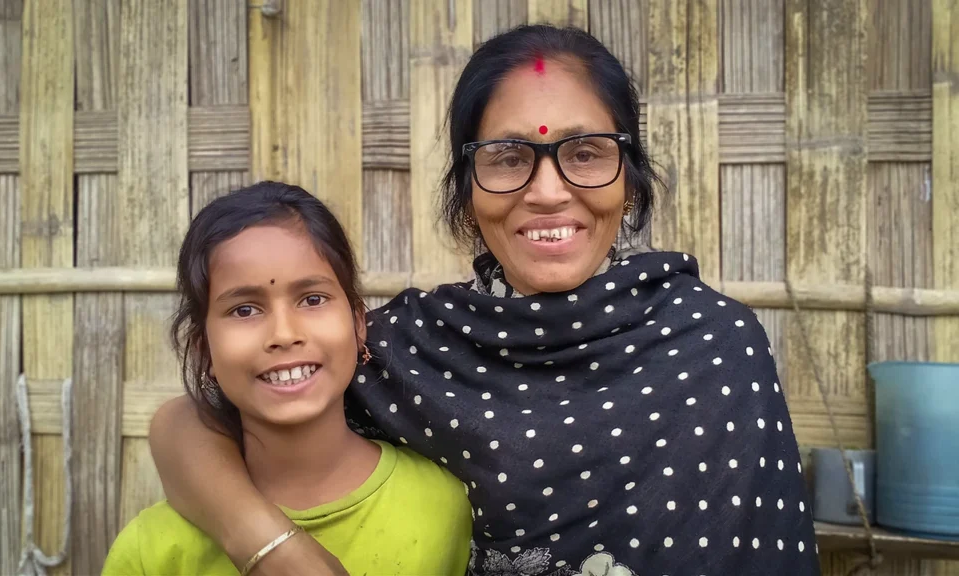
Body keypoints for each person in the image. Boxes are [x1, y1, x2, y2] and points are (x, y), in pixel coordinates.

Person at [148, 24, 821, 576]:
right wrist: (280, 554)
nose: (549, 191)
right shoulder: (406, 349)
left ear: (631, 181)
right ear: (467, 190)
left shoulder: (716, 342)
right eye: (507, 157)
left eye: (586, 152)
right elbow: (187, 424)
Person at [103, 182, 472, 575]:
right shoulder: (154, 550)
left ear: (358, 323)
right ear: (204, 349)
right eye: (245, 310)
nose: (283, 334)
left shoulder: (447, 509)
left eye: (312, 299)